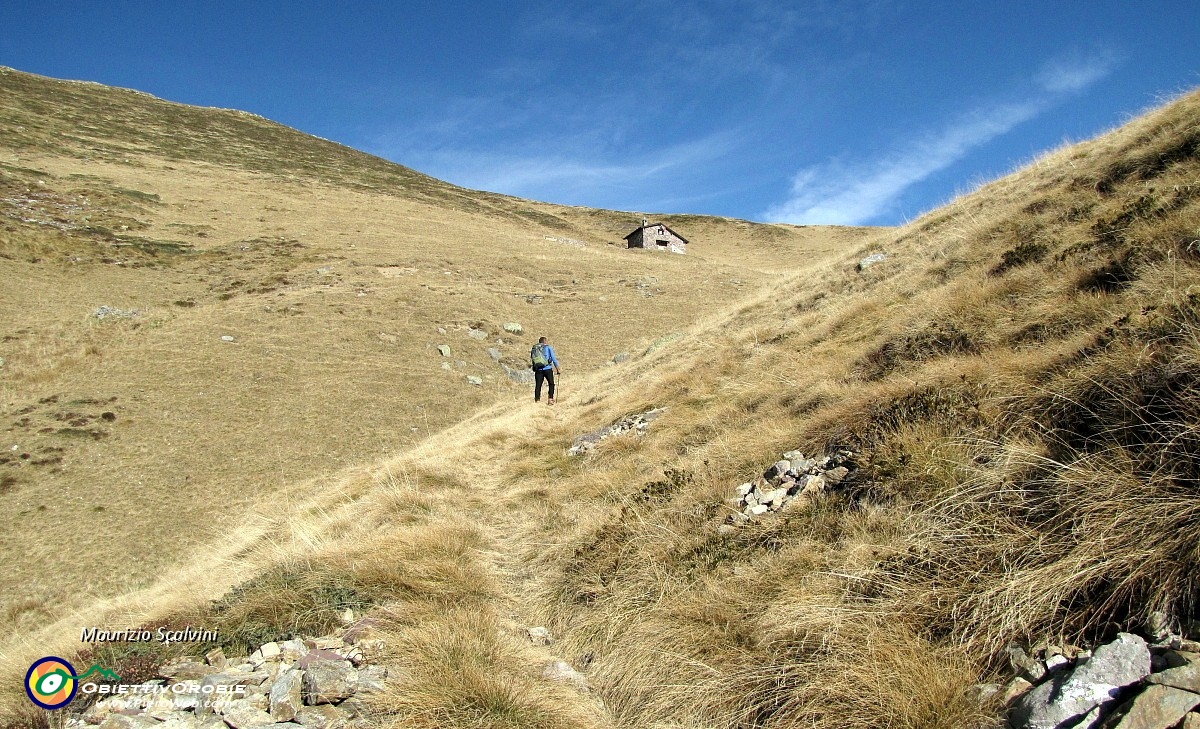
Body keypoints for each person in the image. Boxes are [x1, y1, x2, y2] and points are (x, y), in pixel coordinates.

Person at [530, 336, 561, 404]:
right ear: (545, 341)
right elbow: (553, 358)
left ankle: (537, 400)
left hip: (538, 370)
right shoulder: (548, 347)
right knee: (551, 384)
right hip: (547, 369)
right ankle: (550, 399)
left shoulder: (535, 348)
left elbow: (532, 359)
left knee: (538, 385)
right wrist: (557, 369)